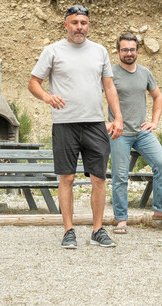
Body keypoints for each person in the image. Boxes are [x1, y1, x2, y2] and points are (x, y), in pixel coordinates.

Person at [28, 4, 123, 248]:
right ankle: (69, 231)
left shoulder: (100, 51)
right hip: (64, 124)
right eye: (74, 23)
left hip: (95, 124)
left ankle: (98, 231)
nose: (79, 27)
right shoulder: (52, 51)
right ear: (66, 25)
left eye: (83, 23)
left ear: (88, 25)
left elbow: (109, 87)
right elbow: (34, 83)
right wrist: (47, 97)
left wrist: (118, 117)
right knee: (67, 178)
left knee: (99, 178)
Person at [108, 32, 162, 234]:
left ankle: (160, 210)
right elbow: (95, 98)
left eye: (132, 49)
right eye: (125, 49)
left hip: (141, 131)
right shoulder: (110, 73)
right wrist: (106, 121)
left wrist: (155, 121)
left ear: (137, 51)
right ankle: (121, 219)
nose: (129, 53)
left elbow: (158, 97)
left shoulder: (145, 73)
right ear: (118, 51)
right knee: (120, 176)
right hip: (119, 133)